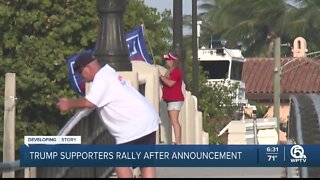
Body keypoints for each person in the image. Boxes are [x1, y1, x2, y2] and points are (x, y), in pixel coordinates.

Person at [56, 52, 160, 178]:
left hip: (133, 126)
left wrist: (68, 104)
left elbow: (90, 103)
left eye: (80, 73)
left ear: (87, 69)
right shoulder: (108, 72)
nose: (81, 78)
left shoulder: (101, 78)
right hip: (148, 120)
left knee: (118, 160)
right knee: (146, 163)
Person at [159, 52, 184, 145]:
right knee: (174, 121)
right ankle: (178, 142)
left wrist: (161, 77)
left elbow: (170, 83)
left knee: (175, 121)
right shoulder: (169, 71)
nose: (167, 61)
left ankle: (178, 142)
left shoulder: (176, 71)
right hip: (171, 99)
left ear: (173, 61)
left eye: (168, 60)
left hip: (175, 99)